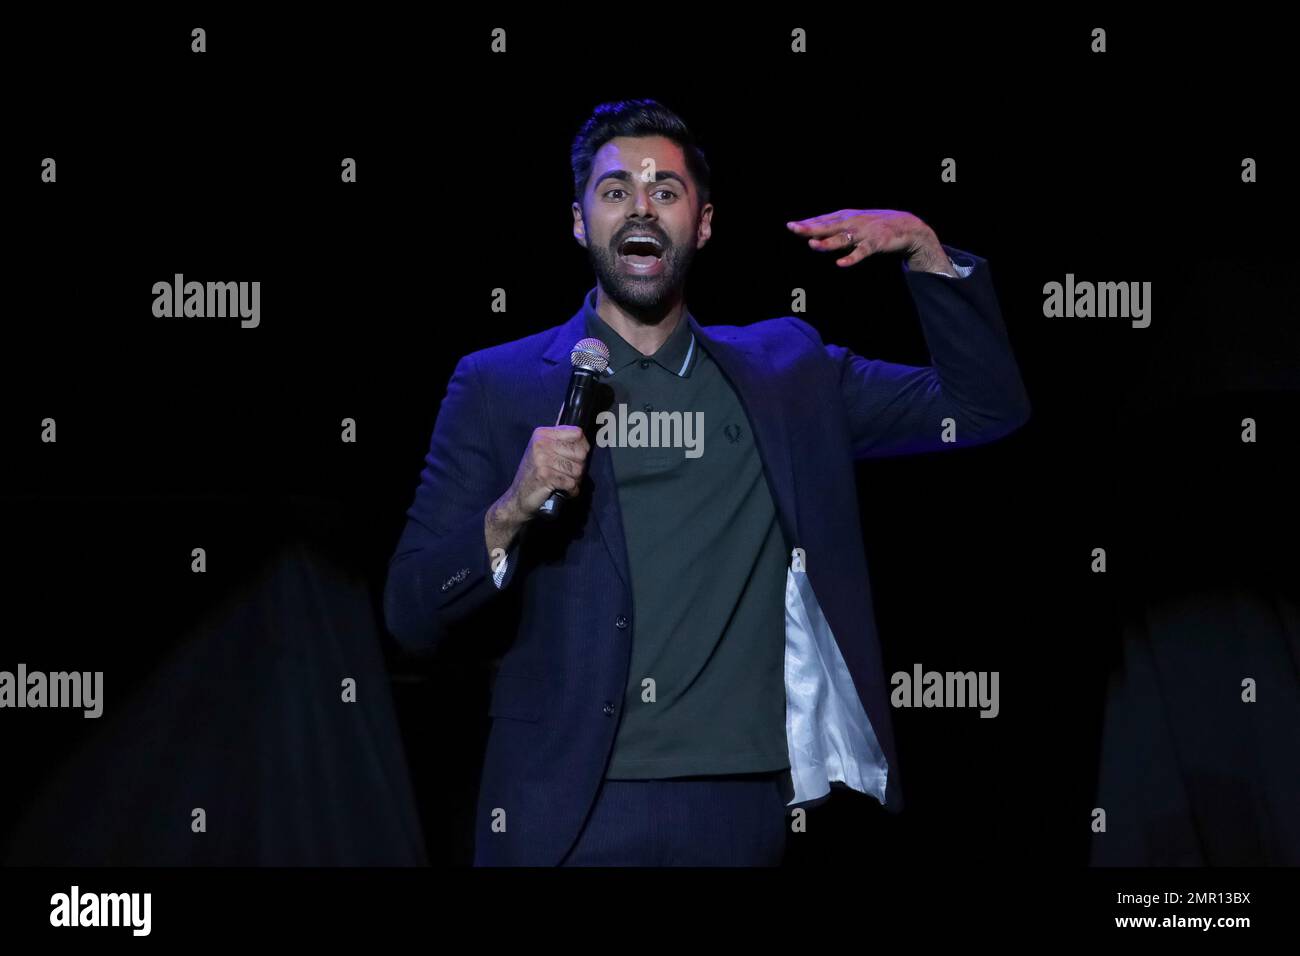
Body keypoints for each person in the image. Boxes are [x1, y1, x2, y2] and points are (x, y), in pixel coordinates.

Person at [384, 98, 1031, 866]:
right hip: (562, 808)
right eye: (616, 190)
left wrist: (924, 250)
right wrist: (508, 513)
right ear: (579, 221)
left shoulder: (787, 374)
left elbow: (983, 407)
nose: (641, 209)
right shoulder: (497, 385)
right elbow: (410, 614)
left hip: (740, 807)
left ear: (705, 222)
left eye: (666, 192)